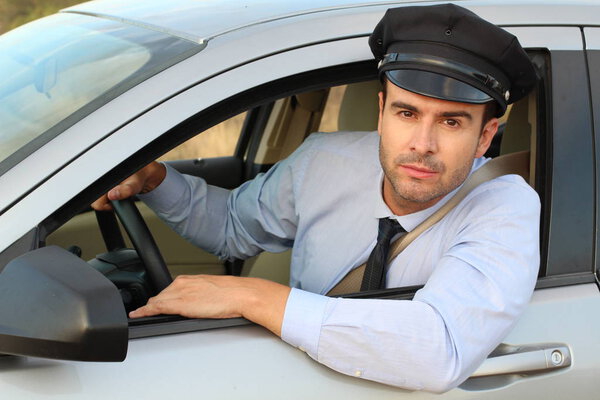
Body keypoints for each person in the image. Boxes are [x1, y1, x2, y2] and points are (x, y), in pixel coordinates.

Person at [92, 4, 540, 392]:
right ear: (381, 111)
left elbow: (440, 348)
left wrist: (253, 297)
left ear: (484, 138)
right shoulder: (322, 161)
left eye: (451, 123)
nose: (422, 143)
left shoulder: (504, 208)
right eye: (407, 113)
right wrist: (154, 179)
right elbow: (231, 226)